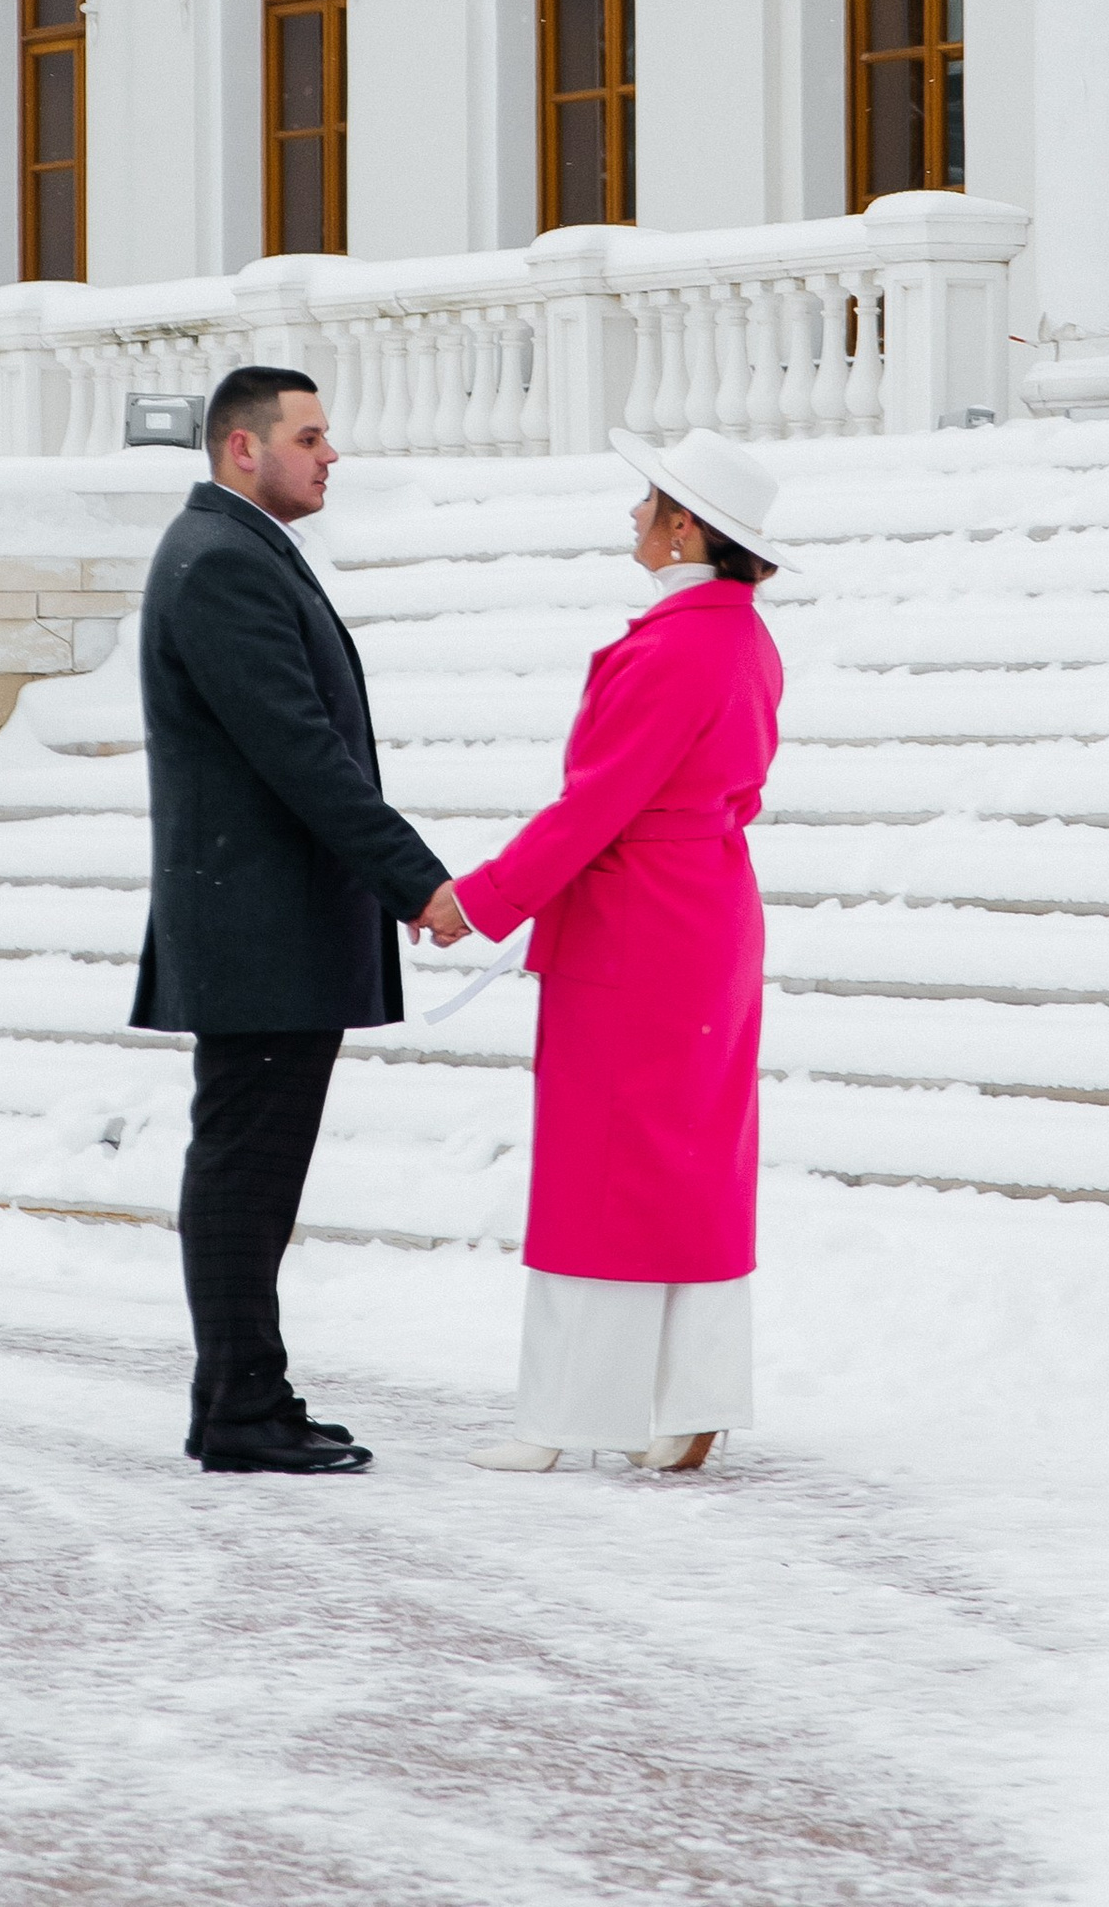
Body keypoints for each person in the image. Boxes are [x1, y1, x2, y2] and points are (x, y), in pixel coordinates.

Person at [426, 423, 785, 1474]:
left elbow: (593, 811)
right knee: (692, 1168)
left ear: (684, 528)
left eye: (648, 502)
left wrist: (474, 901)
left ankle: (572, 1416)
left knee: (601, 1168)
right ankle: (689, 1400)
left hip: (638, 925)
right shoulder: (743, 639)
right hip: (704, 914)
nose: (633, 515)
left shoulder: (675, 647)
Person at [131, 363, 451, 1474]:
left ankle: (238, 1397)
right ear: (240, 448)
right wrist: (416, 879)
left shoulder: (236, 549)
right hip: (256, 928)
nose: (330, 455)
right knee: (244, 1174)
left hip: (261, 922)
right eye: (309, 436)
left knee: (250, 1173)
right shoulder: (221, 561)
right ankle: (241, 1412)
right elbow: (300, 752)